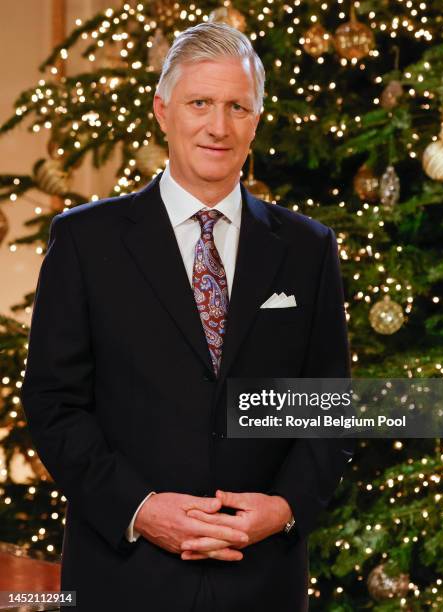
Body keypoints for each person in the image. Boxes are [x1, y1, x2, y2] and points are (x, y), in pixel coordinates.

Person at [21, 21, 354, 612]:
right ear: (162, 110)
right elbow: (54, 403)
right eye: (200, 103)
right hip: (122, 576)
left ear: (256, 120)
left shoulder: (307, 249)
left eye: (237, 107)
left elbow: (328, 404)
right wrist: (141, 509)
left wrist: (284, 508)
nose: (218, 126)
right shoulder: (83, 240)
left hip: (263, 578)